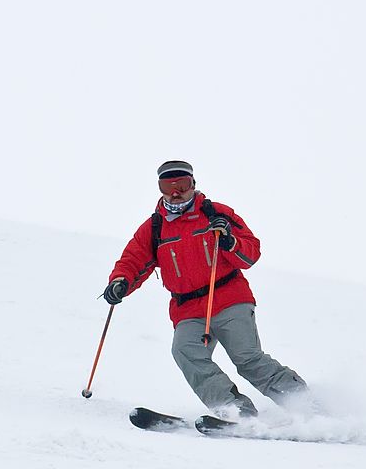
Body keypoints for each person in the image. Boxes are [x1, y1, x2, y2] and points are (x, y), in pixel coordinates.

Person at [102, 160, 308, 418]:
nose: (176, 192)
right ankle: (235, 411)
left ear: (193, 184)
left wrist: (230, 241)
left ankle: (304, 403)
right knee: (185, 351)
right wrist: (120, 281)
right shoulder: (155, 227)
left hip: (230, 299)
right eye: (168, 186)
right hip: (187, 309)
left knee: (247, 359)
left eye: (182, 185)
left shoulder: (217, 214)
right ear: (160, 189)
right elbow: (133, 260)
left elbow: (250, 254)